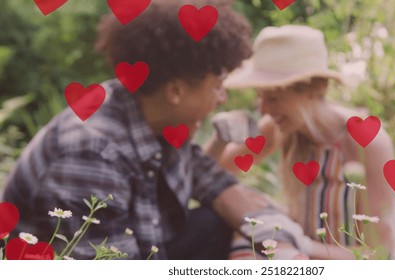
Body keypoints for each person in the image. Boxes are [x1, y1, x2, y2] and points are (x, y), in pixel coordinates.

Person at [1, 1, 315, 260]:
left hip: (150, 251)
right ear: (176, 90)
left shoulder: (158, 119)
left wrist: (288, 251)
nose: (223, 98)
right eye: (218, 85)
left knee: (224, 222)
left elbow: (220, 188)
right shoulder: (91, 153)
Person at [204, 25, 395, 259]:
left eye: (274, 98)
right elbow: (213, 175)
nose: (263, 109)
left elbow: (381, 253)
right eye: (260, 97)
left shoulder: (365, 142)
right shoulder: (279, 127)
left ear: (313, 89)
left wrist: (299, 244)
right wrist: (220, 139)